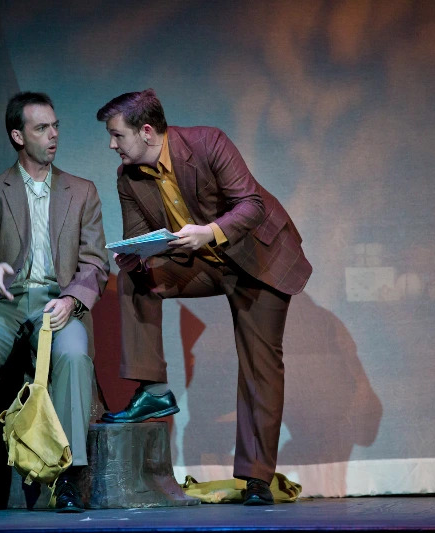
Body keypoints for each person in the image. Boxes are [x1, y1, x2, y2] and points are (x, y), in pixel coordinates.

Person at [96, 89, 311, 506]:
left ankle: (257, 479)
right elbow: (139, 237)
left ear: (146, 131)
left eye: (117, 135)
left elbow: (251, 205)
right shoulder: (128, 178)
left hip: (257, 257)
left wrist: (209, 232)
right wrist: (136, 257)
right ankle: (153, 389)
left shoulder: (207, 143)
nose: (112, 145)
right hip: (201, 261)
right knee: (133, 281)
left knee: (259, 365)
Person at [0, 92, 109, 514]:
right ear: (18, 136)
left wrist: (72, 299)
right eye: (41, 128)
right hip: (5, 304)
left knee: (74, 353)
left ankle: (69, 478)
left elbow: (95, 263)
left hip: (57, 304)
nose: (53, 135)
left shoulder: (82, 192)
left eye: (55, 126)